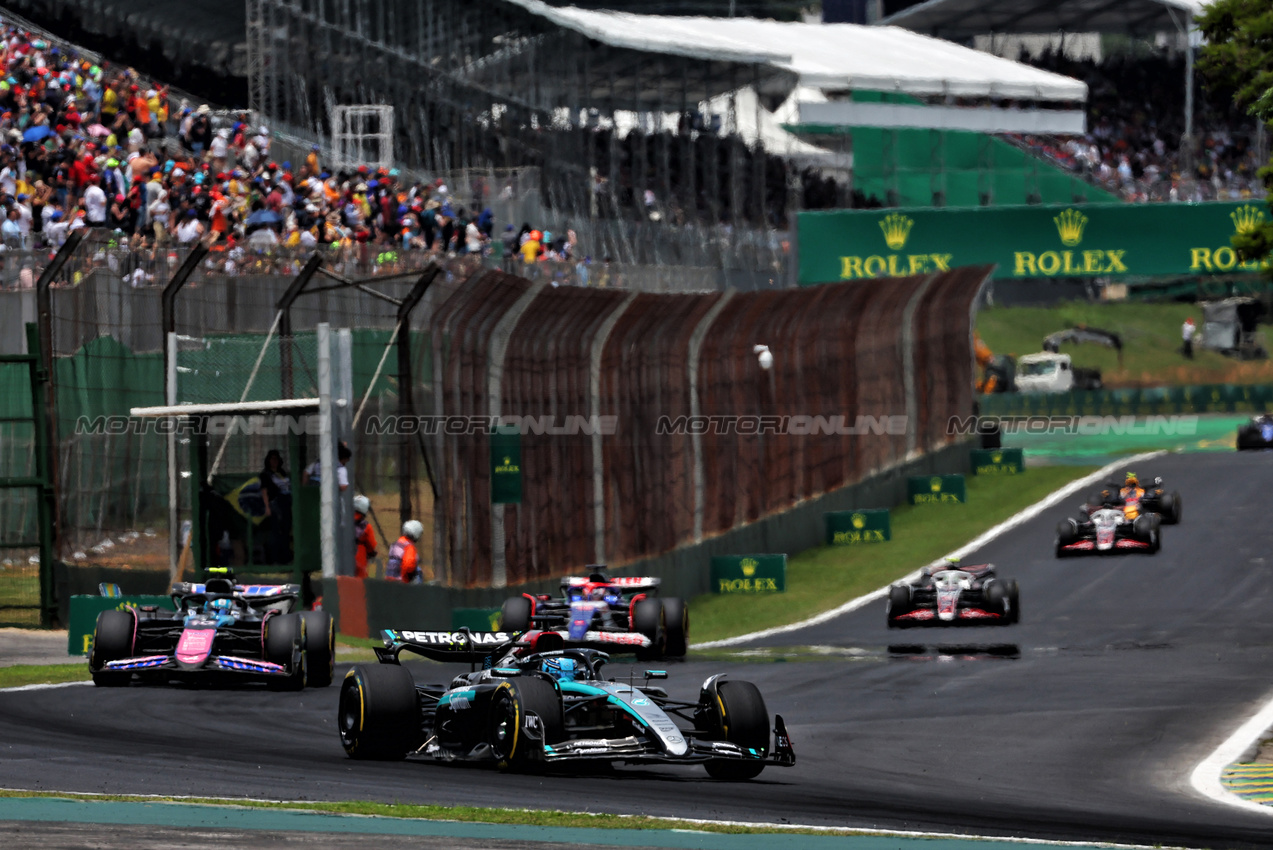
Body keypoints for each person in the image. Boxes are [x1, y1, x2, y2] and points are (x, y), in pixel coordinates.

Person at [258, 449, 292, 563]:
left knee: (286, 532)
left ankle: (286, 558)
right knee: (276, 533)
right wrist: (267, 507)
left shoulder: (282, 473)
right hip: (275, 504)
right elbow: (264, 491)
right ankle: (275, 559)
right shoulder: (265, 475)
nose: (274, 461)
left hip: (286, 504)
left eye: (276, 459)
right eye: (272, 459)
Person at [353, 494, 377, 579]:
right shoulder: (366, 527)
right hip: (359, 561)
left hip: (341, 560)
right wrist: (372, 553)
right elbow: (372, 545)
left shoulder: (344, 522)